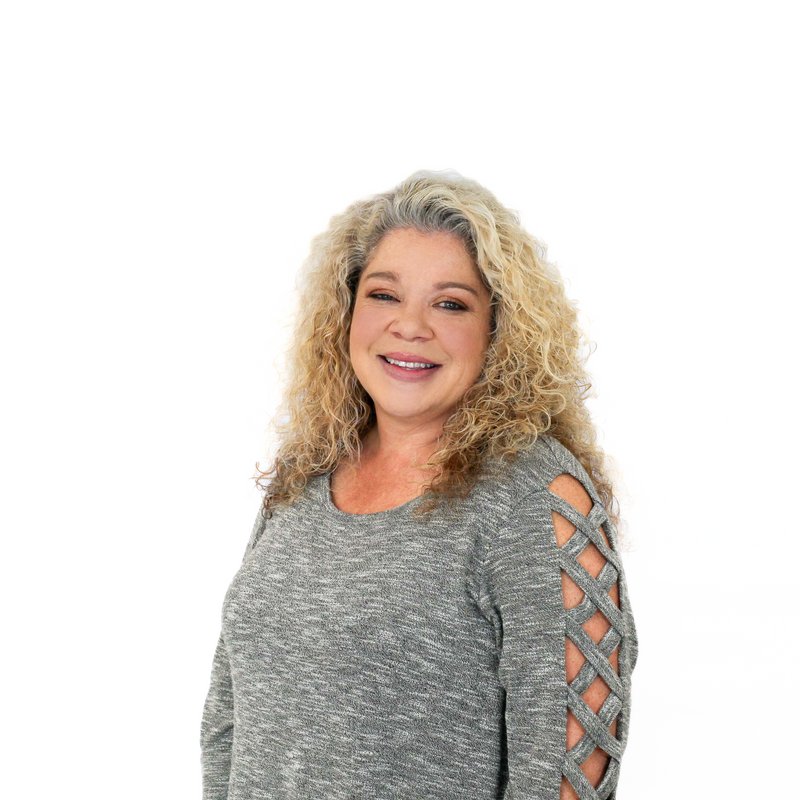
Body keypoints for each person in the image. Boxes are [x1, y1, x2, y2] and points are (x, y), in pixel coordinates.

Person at [200, 170, 638, 800]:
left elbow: (570, 770)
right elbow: (230, 719)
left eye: (450, 303)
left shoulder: (534, 498)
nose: (410, 326)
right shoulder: (305, 478)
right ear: (347, 312)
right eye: (384, 295)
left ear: (498, 331)